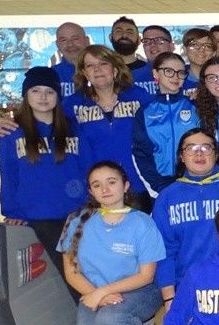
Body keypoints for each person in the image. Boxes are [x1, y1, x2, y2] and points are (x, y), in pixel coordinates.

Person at [59, 162, 165, 325]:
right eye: (97, 185)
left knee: (110, 320)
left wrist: (102, 292)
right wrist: (97, 294)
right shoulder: (76, 221)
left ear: (125, 186)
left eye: (111, 182)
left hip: (140, 291)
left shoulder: (142, 222)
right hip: (95, 294)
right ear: (91, 191)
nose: (105, 189)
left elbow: (146, 276)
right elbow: (71, 273)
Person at [0, 66, 89, 282]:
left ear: (58, 95)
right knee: (75, 276)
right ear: (26, 95)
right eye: (35, 91)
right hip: (39, 216)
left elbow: (88, 168)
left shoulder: (74, 129)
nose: (43, 97)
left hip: (77, 214)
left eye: (49, 91)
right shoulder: (10, 132)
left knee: (88, 271)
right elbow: (9, 176)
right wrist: (12, 211)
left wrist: (91, 206)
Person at [152, 129, 219, 305]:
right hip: (188, 287)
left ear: (216, 154)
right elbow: (164, 250)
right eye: (191, 148)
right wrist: (169, 298)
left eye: (206, 147)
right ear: (181, 156)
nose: (199, 153)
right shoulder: (167, 196)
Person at [65, 44, 154, 211]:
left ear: (115, 69)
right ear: (85, 73)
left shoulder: (140, 97)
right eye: (90, 65)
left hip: (138, 185)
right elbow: (44, 122)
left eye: (103, 63)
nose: (97, 69)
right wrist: (12, 123)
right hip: (97, 190)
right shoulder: (72, 105)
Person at [132, 51, 200, 198]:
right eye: (168, 71)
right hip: (160, 185)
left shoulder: (195, 106)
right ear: (155, 73)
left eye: (180, 72)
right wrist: (158, 187)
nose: (175, 77)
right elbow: (141, 153)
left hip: (195, 180)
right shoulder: (145, 111)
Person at [132, 25, 179, 96]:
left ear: (171, 46)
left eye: (159, 40)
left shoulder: (185, 75)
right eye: (146, 41)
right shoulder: (132, 78)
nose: (152, 44)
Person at [53, 22, 89, 97]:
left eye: (75, 39)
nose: (70, 44)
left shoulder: (103, 72)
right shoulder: (50, 75)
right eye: (63, 40)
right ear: (57, 45)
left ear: (87, 41)